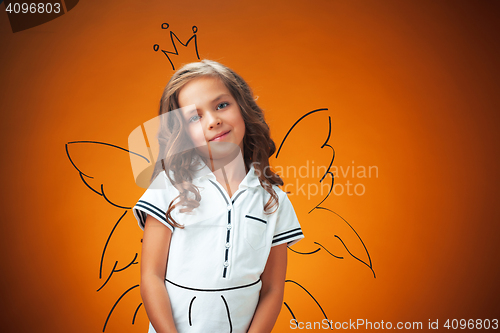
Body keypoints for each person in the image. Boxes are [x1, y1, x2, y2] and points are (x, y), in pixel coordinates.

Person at [133, 60, 304, 333]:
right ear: (184, 132)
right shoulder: (167, 187)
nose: (213, 121)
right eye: (194, 117)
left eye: (221, 105)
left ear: (243, 108)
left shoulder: (274, 202)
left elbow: (272, 289)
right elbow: (151, 277)